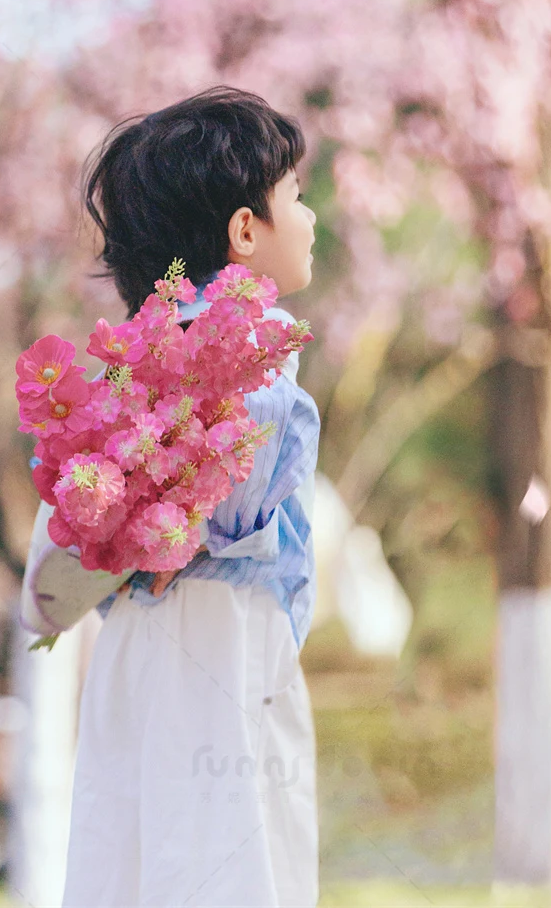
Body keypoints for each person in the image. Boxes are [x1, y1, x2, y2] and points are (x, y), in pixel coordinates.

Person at [35, 88, 321, 908]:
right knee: (231, 854)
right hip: (224, 645)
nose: (311, 216)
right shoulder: (248, 360)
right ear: (244, 230)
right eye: (296, 196)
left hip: (138, 652)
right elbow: (233, 506)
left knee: (138, 850)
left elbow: (69, 539)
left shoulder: (126, 377)